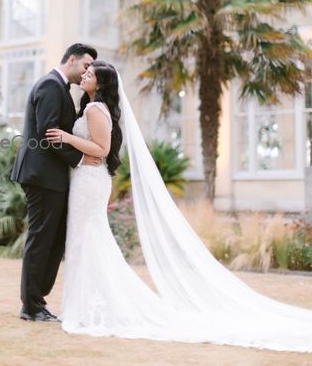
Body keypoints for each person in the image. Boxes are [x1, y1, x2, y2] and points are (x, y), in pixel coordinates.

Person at [45, 60, 312, 353]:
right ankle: (85, 304)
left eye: (90, 74)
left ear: (102, 83)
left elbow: (102, 150)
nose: (84, 76)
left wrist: (67, 137)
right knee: (87, 240)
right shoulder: (92, 107)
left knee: (88, 240)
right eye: (85, 72)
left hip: (90, 182)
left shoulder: (96, 109)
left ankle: (86, 308)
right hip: (87, 179)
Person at [9, 43, 101, 322]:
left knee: (54, 239)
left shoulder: (60, 88)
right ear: (71, 59)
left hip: (52, 176)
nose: (87, 72)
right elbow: (49, 133)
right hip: (42, 175)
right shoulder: (50, 86)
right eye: (85, 65)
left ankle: (37, 301)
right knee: (41, 239)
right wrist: (81, 159)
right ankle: (31, 305)